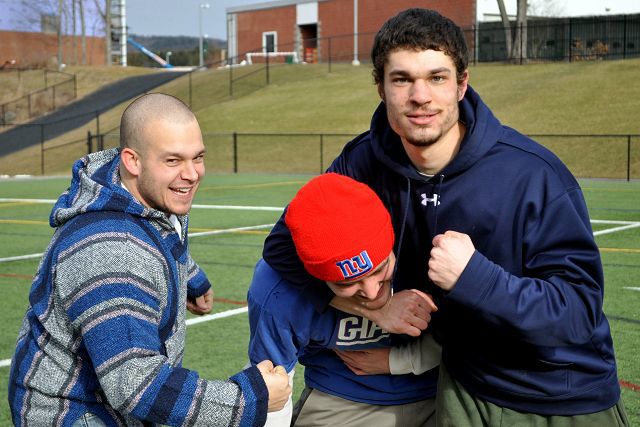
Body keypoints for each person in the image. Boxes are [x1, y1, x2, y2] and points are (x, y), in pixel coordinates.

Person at [263, 8, 629, 426]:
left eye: (437, 77)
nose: (420, 96)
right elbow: (282, 248)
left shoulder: (532, 174)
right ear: (381, 89)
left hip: (556, 396)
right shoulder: (362, 162)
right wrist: (375, 308)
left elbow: (578, 313)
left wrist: (475, 276)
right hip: (461, 389)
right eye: (402, 79)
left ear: (461, 84)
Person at [8, 93, 290, 427]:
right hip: (71, 413)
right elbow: (135, 384)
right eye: (173, 161)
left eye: (197, 157)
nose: (191, 174)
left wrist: (192, 277)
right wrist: (251, 397)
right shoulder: (112, 251)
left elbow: (162, 236)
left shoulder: (145, 194)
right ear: (132, 161)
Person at [248, 173, 440, 427]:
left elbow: (481, 340)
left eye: (381, 269)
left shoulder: (433, 252)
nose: (372, 293)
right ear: (316, 278)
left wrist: (398, 362)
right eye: (347, 283)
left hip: (439, 388)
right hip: (341, 396)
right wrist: (376, 313)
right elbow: (273, 394)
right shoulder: (277, 291)